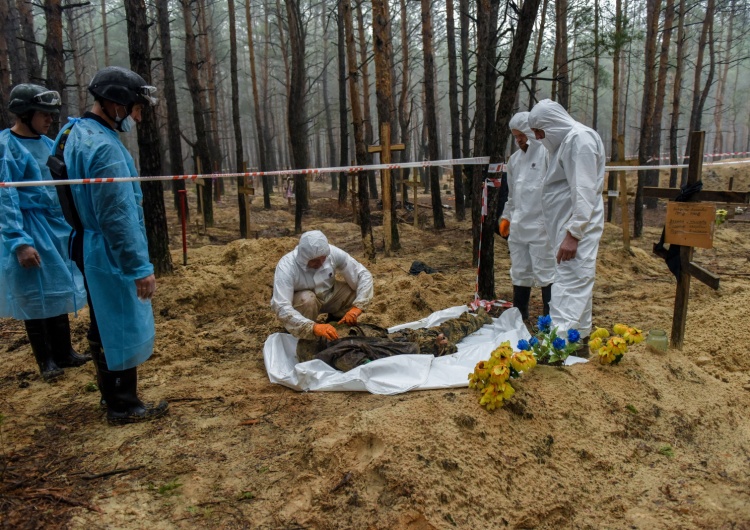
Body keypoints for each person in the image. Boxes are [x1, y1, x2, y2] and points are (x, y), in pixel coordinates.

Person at [54, 66, 168, 424]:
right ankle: (123, 405)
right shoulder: (104, 149)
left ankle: (115, 398)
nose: (138, 116)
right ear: (116, 104)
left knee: (104, 322)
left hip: (91, 244)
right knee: (117, 324)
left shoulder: (75, 131)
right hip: (109, 252)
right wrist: (138, 268)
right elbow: (117, 216)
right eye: (135, 107)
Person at [0, 84, 90, 382]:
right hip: (26, 227)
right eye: (44, 114)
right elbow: (5, 198)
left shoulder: (49, 144)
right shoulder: (6, 147)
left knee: (57, 287)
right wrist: (19, 242)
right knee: (34, 293)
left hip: (54, 228)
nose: (50, 119)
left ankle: (65, 352)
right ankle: (46, 360)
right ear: (25, 114)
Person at [527, 99, 606, 344]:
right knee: (577, 283)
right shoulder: (565, 144)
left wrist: (574, 233)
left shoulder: (579, 140)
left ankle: (555, 347)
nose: (539, 137)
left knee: (569, 287)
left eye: (541, 131)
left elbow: (583, 190)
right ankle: (578, 341)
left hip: (576, 230)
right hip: (568, 229)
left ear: (553, 123)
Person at [271, 230, 374, 345]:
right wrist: (313, 328)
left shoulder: (332, 253)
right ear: (304, 257)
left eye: (323, 258)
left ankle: (336, 324)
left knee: (353, 294)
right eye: (314, 261)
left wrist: (357, 308)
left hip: (328, 294)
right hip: (303, 305)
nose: (320, 263)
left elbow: (363, 275)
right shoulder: (287, 266)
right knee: (307, 298)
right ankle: (302, 335)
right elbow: (281, 306)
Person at [499, 111, 555, 321]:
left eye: (520, 135)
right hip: (519, 229)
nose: (518, 140)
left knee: (546, 273)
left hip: (542, 229)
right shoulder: (514, 161)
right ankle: (520, 317)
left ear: (530, 133)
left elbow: (554, 194)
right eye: (515, 136)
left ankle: (550, 321)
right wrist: (506, 218)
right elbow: (512, 196)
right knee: (520, 272)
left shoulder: (546, 155)